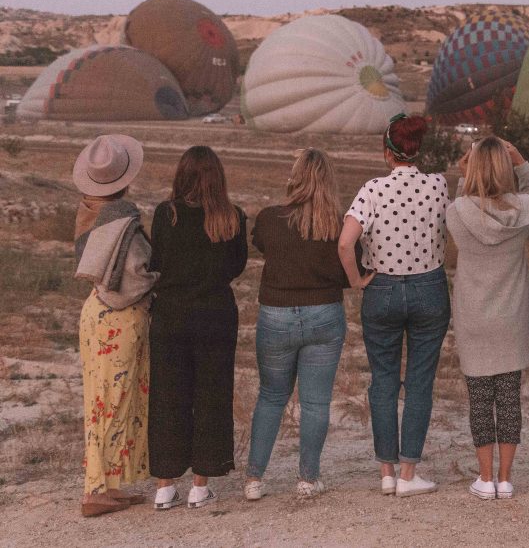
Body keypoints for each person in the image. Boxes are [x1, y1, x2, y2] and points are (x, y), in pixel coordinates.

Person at [338, 114, 451, 498]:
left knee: (383, 381)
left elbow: (343, 243)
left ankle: (385, 471)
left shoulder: (371, 190)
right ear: (417, 150)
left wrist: (356, 280)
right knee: (419, 382)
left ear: (388, 152)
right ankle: (408, 474)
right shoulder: (438, 185)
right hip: (429, 288)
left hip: (381, 288)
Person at [244, 149, 350, 501]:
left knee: (271, 397)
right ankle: (308, 477)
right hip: (325, 314)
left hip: (276, 314)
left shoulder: (271, 218)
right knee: (316, 403)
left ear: (295, 177)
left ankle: (254, 479)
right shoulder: (337, 223)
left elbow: (259, 244)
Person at [148, 146, 248, 510]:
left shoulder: (166, 214)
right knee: (212, 396)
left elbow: (156, 260)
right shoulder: (233, 217)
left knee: (167, 396)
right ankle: (200, 485)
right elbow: (236, 266)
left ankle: (164, 485)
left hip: (171, 316)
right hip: (216, 315)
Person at [446, 137, 529, 500]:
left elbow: (457, 205)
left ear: (472, 169)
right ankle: (505, 477)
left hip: (473, 317)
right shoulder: (523, 210)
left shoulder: (457, 211)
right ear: (505, 168)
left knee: (479, 399)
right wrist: (521, 161)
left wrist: (463, 176)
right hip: (511, 316)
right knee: (508, 399)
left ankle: (484, 478)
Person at [73, 134, 157, 517]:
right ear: (124, 177)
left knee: (101, 400)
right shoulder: (124, 218)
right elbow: (135, 273)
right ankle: (95, 492)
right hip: (120, 318)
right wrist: (159, 279)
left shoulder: (87, 212)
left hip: (94, 312)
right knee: (116, 402)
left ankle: (108, 484)